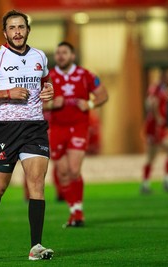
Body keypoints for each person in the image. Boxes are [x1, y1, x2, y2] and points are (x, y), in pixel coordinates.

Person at [0, 10, 54, 260]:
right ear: (5, 32)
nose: (17, 32)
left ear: (28, 30)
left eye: (21, 27)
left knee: (36, 184)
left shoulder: (40, 56)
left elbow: (46, 85)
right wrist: (7, 93)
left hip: (35, 127)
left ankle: (36, 246)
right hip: (6, 128)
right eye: (12, 28)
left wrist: (48, 92)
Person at [45, 41, 108, 227]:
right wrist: (51, 104)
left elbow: (103, 95)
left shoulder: (85, 75)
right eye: (58, 53)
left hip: (79, 127)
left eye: (64, 52)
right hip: (57, 128)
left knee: (74, 169)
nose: (60, 56)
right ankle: (73, 210)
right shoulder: (48, 77)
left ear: (72, 56)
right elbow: (37, 104)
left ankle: (78, 212)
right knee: (63, 172)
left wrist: (89, 104)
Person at [141, 71, 168, 194]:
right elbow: (151, 103)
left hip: (158, 127)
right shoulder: (156, 88)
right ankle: (147, 184)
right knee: (152, 155)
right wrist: (157, 117)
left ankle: (165, 180)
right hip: (154, 127)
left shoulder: (162, 89)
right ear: (163, 76)